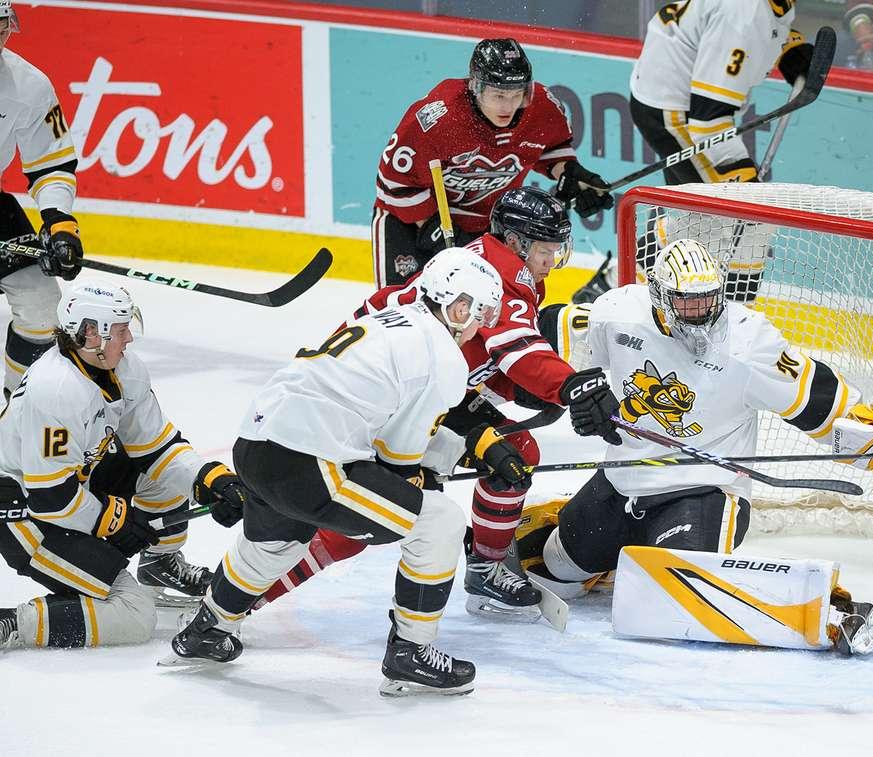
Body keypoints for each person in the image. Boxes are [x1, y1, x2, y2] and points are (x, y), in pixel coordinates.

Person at [525, 239, 873, 654]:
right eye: (687, 304)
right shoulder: (617, 314)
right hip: (622, 482)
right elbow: (548, 333)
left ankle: (818, 605)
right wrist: (575, 394)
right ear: (659, 296)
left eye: (708, 300)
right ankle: (599, 549)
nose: (701, 314)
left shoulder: (749, 342)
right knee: (555, 571)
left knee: (667, 596)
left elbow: (817, 401)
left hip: (703, 490)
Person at [252, 186, 623, 623]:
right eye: (546, 249)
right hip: (397, 405)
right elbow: (518, 348)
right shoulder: (497, 276)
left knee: (514, 454)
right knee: (362, 523)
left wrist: (513, 390)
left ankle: (486, 567)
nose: (552, 260)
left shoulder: (481, 265)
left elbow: (480, 354)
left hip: (416, 394)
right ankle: (246, 600)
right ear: (517, 242)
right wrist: (570, 386)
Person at [168, 250, 517, 697]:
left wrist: (444, 456)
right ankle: (412, 652)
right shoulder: (444, 357)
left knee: (275, 543)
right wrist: (433, 477)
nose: (480, 326)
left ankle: (208, 629)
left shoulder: (390, 320)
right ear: (458, 305)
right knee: (439, 523)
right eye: (480, 312)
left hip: (255, 445)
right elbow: (397, 461)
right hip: (308, 461)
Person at [0, 283, 246, 651]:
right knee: (134, 615)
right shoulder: (56, 390)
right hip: (22, 513)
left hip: (72, 487)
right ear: (89, 332)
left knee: (159, 477)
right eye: (119, 329)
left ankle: (159, 564)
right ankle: (12, 624)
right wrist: (114, 523)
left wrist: (210, 479)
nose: (129, 337)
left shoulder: (121, 368)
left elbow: (158, 448)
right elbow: (50, 499)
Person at [371, 37, 613, 287]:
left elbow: (551, 148)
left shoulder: (542, 108)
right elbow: (393, 183)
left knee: (481, 319)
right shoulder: (438, 118)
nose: (508, 106)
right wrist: (434, 231)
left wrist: (571, 174)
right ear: (476, 87)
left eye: (516, 94)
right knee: (400, 310)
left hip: (486, 230)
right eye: (499, 95)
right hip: (411, 226)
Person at [629, 0, 815, 185]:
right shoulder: (742, 14)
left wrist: (788, 48)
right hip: (674, 111)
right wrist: (736, 174)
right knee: (730, 209)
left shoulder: (755, 11)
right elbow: (708, 123)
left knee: (689, 207)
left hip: (671, 97)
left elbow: (749, 27)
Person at [0, 1, 86, 395]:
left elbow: (51, 165)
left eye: (4, 25)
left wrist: (60, 224)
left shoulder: (28, 85)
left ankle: (17, 414)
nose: (1, 35)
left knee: (41, 306)